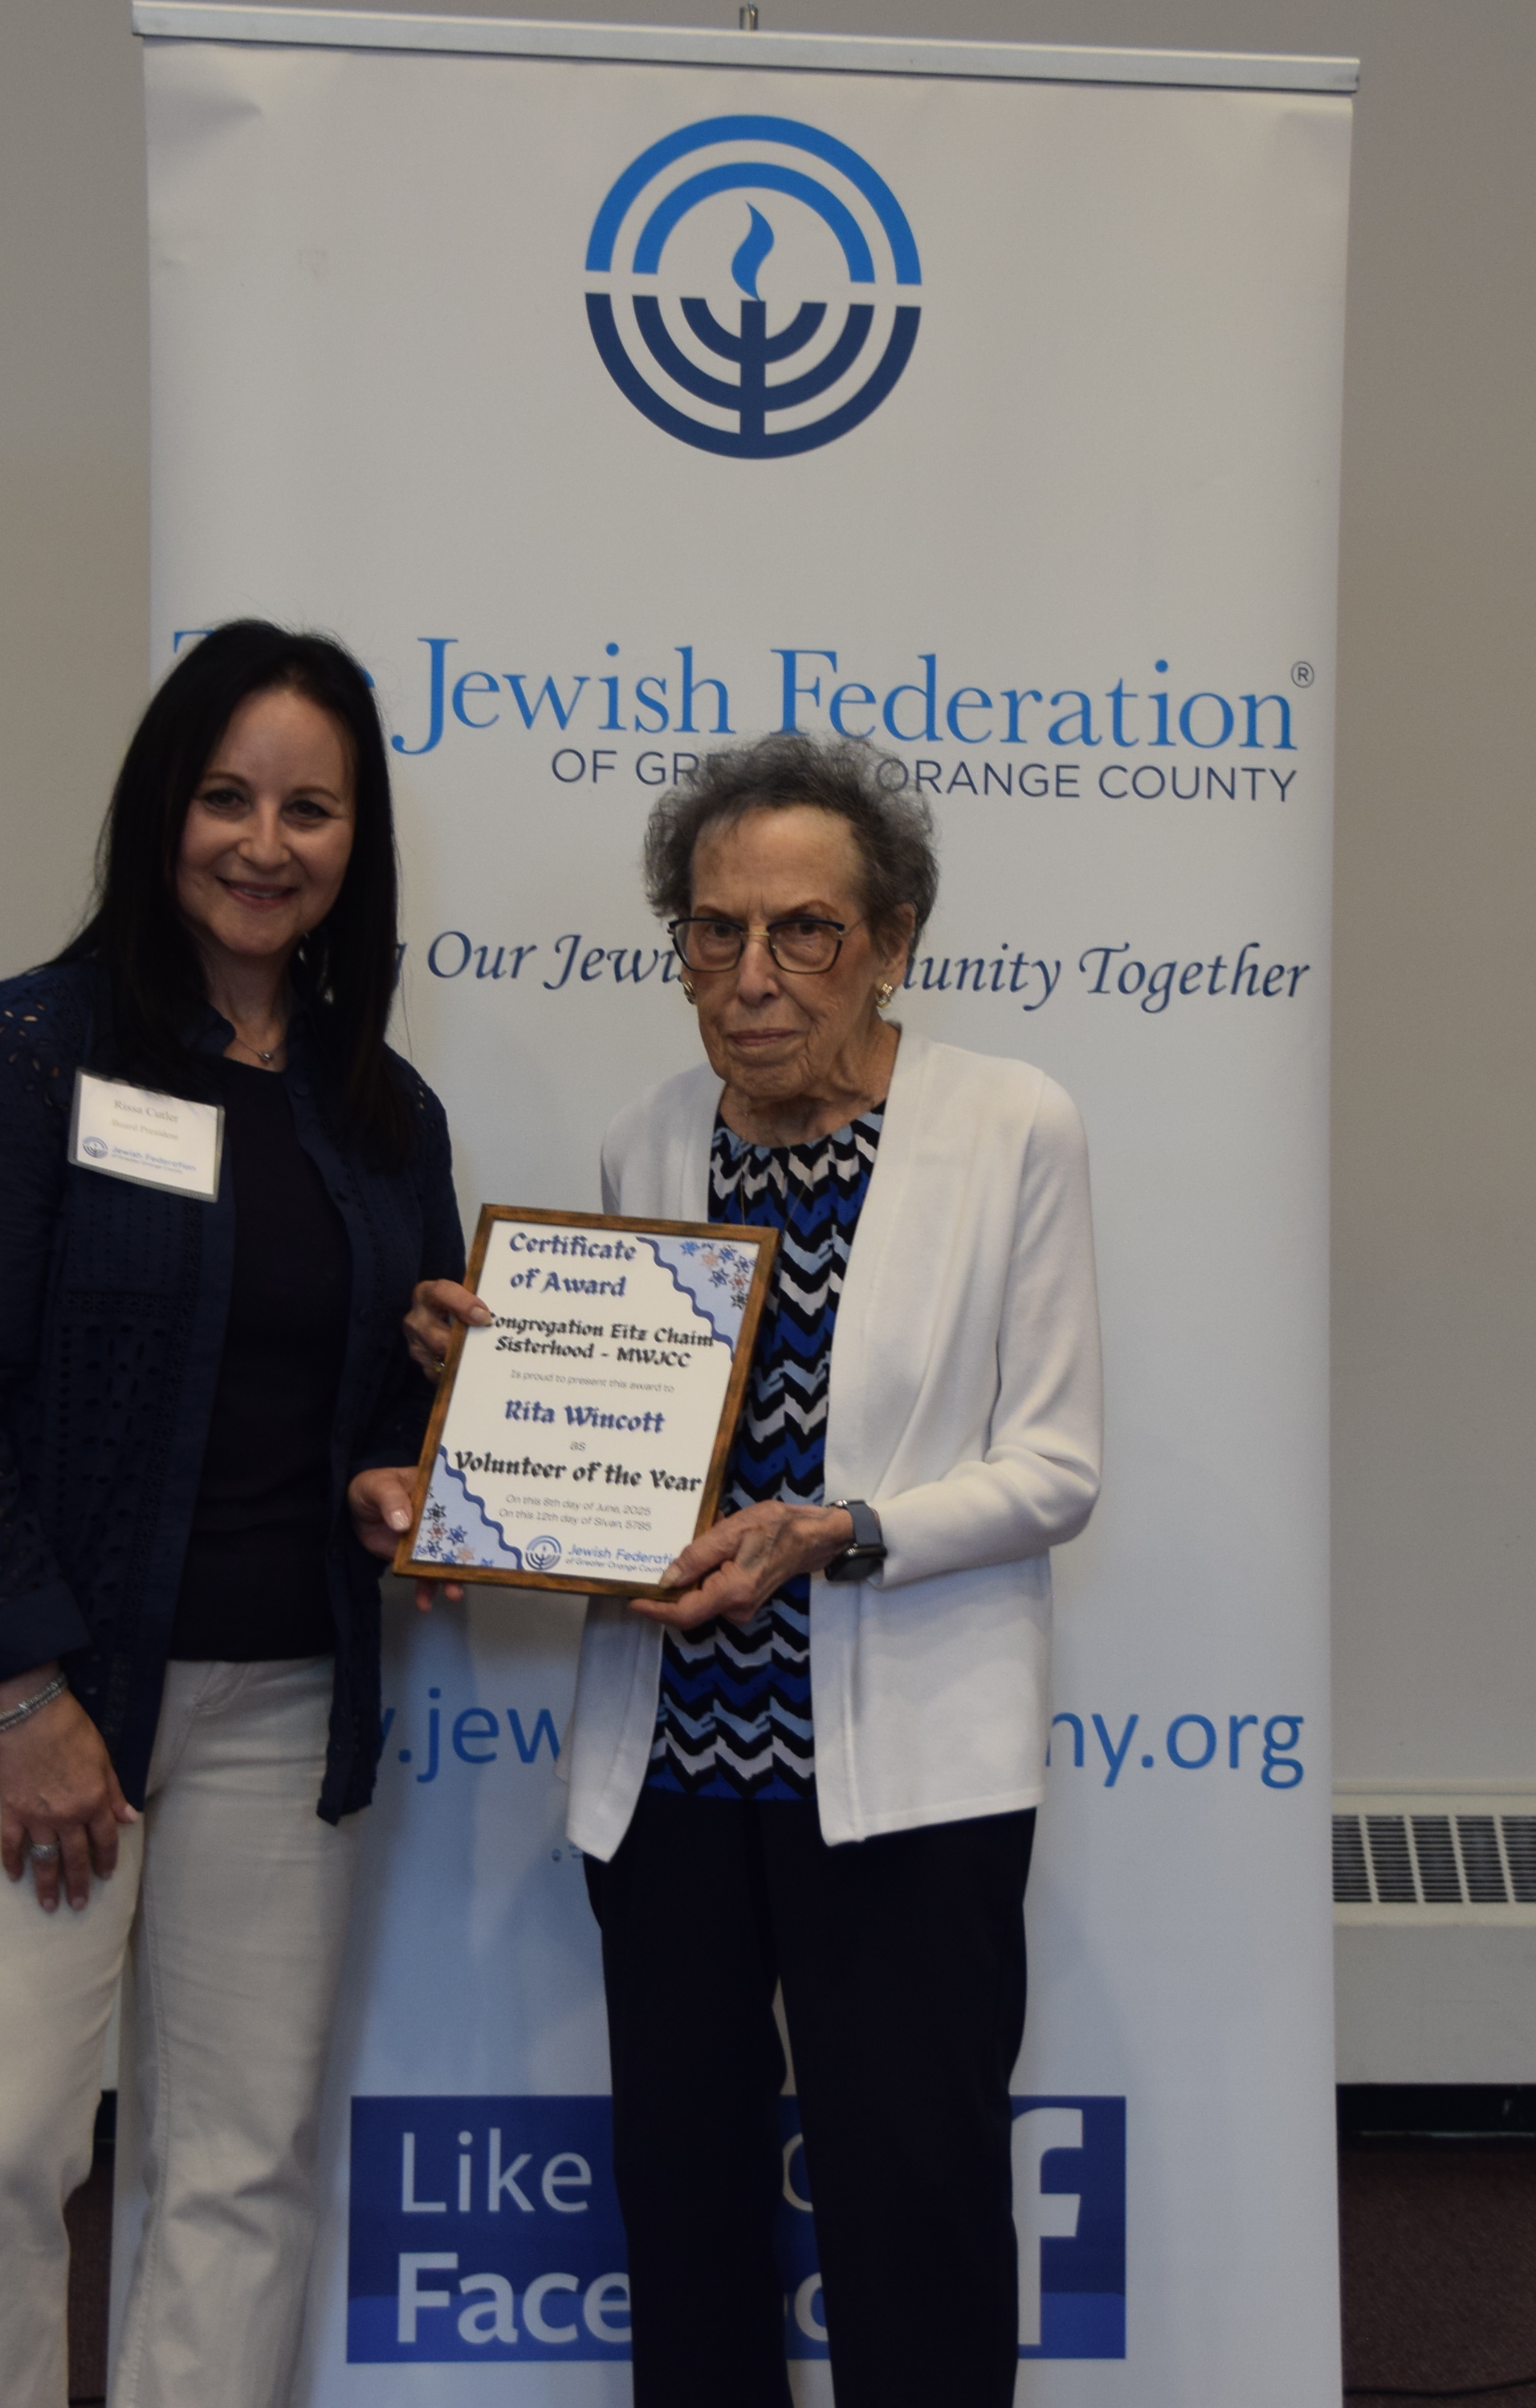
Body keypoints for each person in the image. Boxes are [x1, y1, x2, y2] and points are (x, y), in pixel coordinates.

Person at [365, 730, 1104, 2408]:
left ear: (893, 941)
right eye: (715, 930)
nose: (752, 974)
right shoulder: (646, 1138)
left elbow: (1056, 1468)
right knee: (685, 2216)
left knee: (914, 2217)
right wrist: (483, 1401)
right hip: (674, 1776)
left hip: (904, 1789)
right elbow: (633, 1454)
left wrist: (840, 1532)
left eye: (804, 931)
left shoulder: (1010, 1127)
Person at [0, 620, 461, 2408]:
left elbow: (373, 1408)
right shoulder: (21, 1054)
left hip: (279, 1697)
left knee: (241, 2169)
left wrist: (408, 1455)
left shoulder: (382, 1110)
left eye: (310, 810)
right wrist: (31, 1698)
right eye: (225, 797)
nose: (264, 844)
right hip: (33, 1704)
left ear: (357, 842)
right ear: (158, 806)